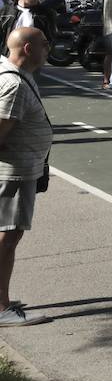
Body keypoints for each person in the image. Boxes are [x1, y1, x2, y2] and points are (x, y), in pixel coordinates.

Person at [0, 28, 53, 326]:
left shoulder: (18, 75)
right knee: (8, 235)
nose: (50, 48)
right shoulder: (14, 84)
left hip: (22, 170)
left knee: (10, 233)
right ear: (29, 49)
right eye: (45, 44)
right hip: (13, 172)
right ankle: (0, 307)